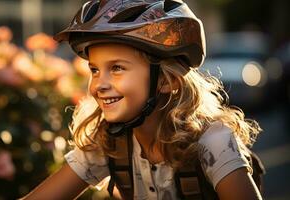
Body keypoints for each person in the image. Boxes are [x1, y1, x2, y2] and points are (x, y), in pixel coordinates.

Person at [22, 0, 263, 199]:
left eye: (116, 68)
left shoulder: (213, 143)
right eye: (94, 70)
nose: (98, 85)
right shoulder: (110, 143)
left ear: (167, 81)